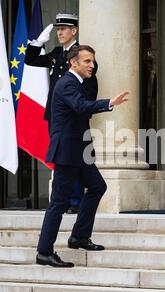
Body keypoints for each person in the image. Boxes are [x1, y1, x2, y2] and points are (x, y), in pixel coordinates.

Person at [36, 45, 130, 268]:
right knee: (58, 203)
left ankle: (78, 236)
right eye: (87, 61)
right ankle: (44, 252)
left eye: (93, 61)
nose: (92, 65)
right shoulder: (67, 83)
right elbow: (80, 106)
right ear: (73, 63)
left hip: (79, 151)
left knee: (97, 186)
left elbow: (80, 109)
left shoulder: (77, 83)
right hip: (67, 152)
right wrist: (109, 103)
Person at [26, 13, 95, 214]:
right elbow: (30, 60)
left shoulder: (83, 55)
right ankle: (62, 200)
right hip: (55, 115)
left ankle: (74, 200)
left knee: (72, 157)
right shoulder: (57, 53)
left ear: (74, 31)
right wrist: (37, 43)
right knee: (60, 157)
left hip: (73, 115)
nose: (59, 32)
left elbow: (90, 84)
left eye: (63, 29)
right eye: (58, 29)